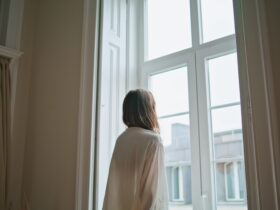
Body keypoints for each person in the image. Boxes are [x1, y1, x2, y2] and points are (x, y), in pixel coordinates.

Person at [102, 89, 169, 210]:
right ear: (149, 110)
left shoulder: (121, 140)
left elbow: (114, 188)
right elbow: (152, 193)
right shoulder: (153, 140)